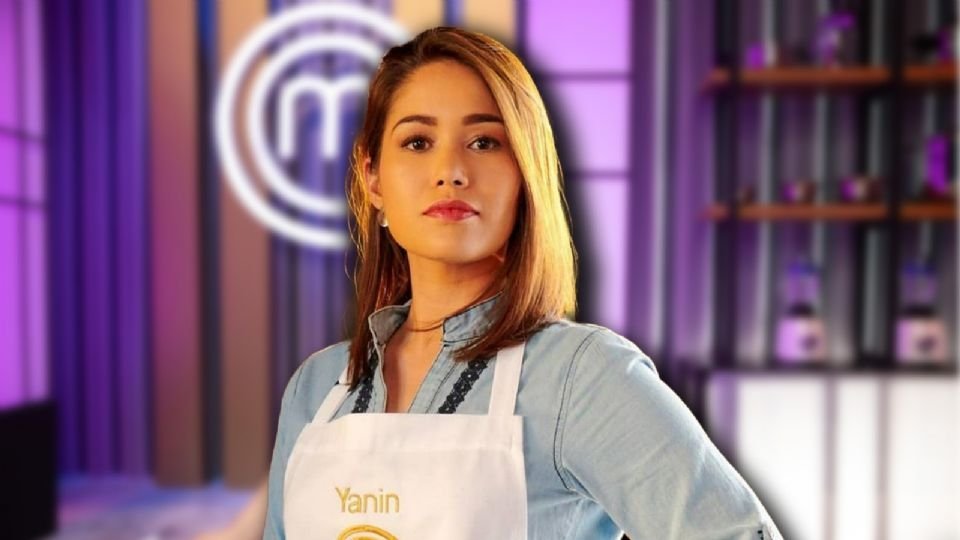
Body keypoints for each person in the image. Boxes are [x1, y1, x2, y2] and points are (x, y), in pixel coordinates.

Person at [263, 26, 782, 540]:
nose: (450, 171)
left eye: (484, 142)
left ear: (524, 174)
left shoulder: (579, 377)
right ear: (372, 177)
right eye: (417, 142)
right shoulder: (317, 388)